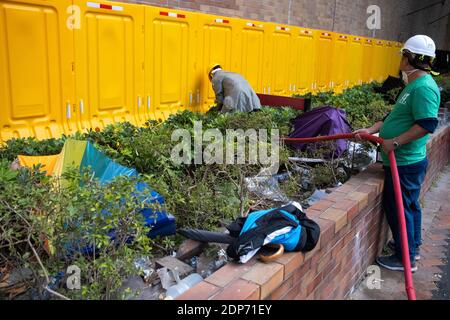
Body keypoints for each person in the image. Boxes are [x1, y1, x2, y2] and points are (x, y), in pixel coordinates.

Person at [354, 35, 441, 272]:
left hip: (405, 162)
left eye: (404, 55)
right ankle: (411, 247)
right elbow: (396, 117)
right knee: (409, 206)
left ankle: (406, 258)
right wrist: (371, 130)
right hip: (404, 161)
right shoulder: (413, 85)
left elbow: (427, 124)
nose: (401, 60)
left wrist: (396, 142)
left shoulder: (423, 88)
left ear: (411, 58)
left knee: (401, 209)